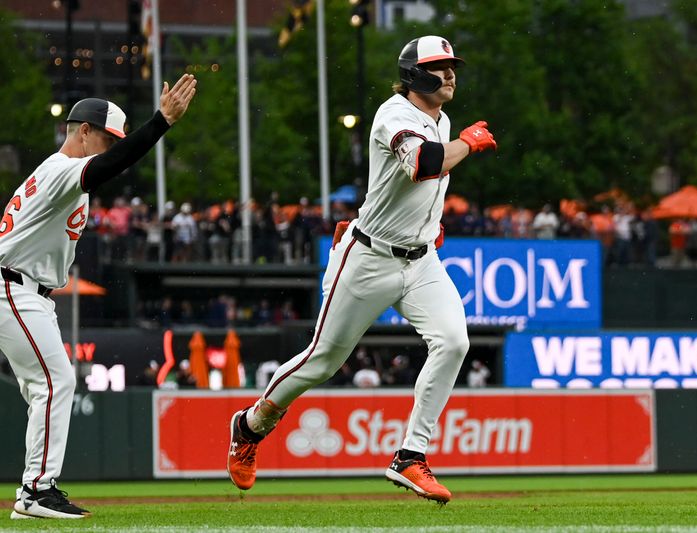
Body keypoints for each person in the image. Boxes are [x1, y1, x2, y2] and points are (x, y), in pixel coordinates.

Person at [227, 35, 496, 504]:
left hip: (420, 259)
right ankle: (250, 426)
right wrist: (467, 144)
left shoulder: (442, 118)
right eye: (440, 66)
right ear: (414, 74)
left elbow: (421, 185)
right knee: (322, 361)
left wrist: (429, 224)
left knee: (454, 341)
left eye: (453, 65)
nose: (451, 74)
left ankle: (411, 456)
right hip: (369, 257)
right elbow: (425, 165)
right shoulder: (394, 114)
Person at [0, 74, 196, 519]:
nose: (113, 148)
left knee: (46, 388)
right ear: (84, 131)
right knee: (55, 383)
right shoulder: (61, 171)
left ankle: (35, 488)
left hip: (28, 291)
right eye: (108, 139)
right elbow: (111, 166)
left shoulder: (60, 175)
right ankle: (35, 491)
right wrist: (160, 122)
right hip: (13, 287)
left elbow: (111, 164)